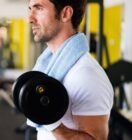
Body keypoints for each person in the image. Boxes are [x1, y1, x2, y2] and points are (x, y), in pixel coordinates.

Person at [27, 0, 114, 140]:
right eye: (30, 9)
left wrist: (52, 122)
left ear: (66, 14)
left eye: (39, 8)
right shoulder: (47, 65)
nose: (30, 18)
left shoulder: (85, 74)